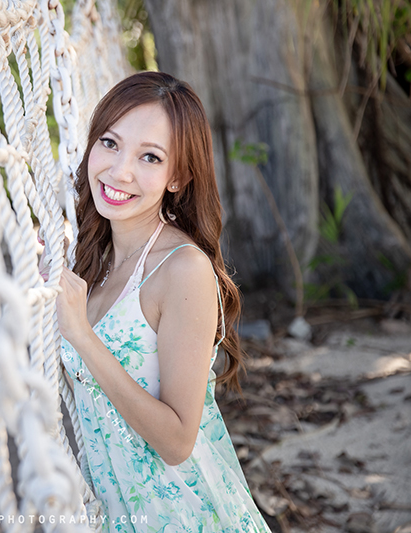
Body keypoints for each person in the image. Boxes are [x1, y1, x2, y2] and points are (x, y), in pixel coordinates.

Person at [55, 71, 272, 532]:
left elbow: (177, 443)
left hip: (178, 515)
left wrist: (83, 337)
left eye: (149, 157)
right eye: (110, 143)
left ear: (178, 177)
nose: (120, 171)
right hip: (108, 511)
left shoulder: (182, 269)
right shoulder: (93, 256)